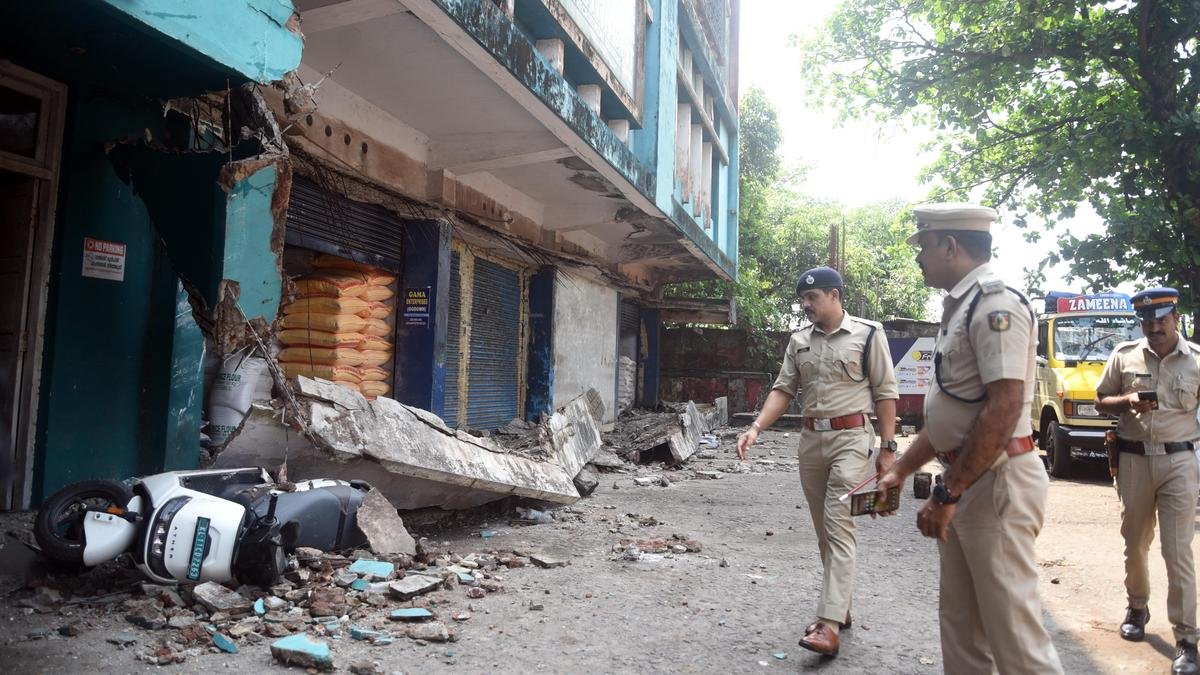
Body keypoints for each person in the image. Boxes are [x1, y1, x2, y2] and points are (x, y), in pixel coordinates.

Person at [875, 203, 1063, 674]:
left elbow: (1003, 409)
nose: (918, 257)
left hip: (995, 481)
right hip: (968, 476)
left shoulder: (996, 304)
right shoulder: (961, 306)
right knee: (962, 629)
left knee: (1015, 639)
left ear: (950, 245)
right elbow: (953, 418)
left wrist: (948, 492)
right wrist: (902, 469)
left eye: (923, 245)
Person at [737, 266, 898, 657]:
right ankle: (840, 607)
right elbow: (783, 390)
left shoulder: (868, 334)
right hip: (811, 442)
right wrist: (756, 428)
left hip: (852, 439)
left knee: (839, 525)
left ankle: (828, 625)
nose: (806, 304)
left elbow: (885, 393)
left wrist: (888, 449)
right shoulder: (799, 341)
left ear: (834, 295)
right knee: (825, 531)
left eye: (812, 297)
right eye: (803, 299)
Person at [1095, 287, 1200, 675]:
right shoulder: (1124, 356)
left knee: (1178, 551)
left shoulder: (1196, 361)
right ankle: (1137, 608)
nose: (1154, 329)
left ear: (1176, 318)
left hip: (1179, 462)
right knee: (1135, 543)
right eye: (1147, 323)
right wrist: (1127, 401)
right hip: (1134, 460)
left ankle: (1187, 639)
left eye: (1161, 321)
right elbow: (1100, 401)